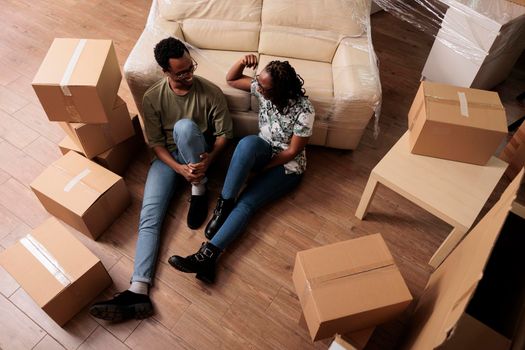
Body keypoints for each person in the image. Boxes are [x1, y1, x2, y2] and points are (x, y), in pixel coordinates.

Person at [89, 37, 233, 321]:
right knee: (149, 215)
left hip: (197, 154)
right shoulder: (153, 98)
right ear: (165, 72)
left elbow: (224, 134)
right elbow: (155, 143)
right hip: (168, 160)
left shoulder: (210, 92)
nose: (189, 75)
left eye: (190, 68)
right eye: (181, 72)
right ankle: (138, 290)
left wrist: (208, 161)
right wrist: (178, 169)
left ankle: (199, 188)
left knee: (184, 127)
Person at [168, 55, 315, 283]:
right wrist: (241, 61)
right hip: (264, 149)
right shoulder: (264, 91)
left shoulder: (304, 110)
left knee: (246, 202)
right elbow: (232, 79)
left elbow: (291, 151)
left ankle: (207, 256)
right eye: (258, 82)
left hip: (286, 167)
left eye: (263, 87)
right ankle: (223, 208)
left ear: (278, 91)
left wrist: (260, 171)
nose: (258, 87)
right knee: (246, 143)